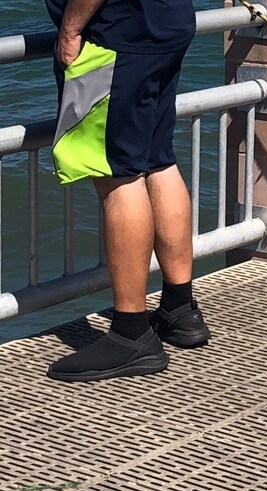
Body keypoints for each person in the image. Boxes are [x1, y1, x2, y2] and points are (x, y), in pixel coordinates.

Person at [45, 0, 211, 382]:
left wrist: (71, 28)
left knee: (117, 173)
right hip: (165, 24)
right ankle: (179, 309)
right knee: (157, 159)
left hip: (119, 34)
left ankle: (131, 333)